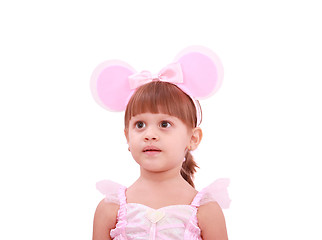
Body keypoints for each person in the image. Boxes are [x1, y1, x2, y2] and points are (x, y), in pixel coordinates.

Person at [90, 46, 230, 240]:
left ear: (193, 138)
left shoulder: (206, 212)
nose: (150, 134)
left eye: (164, 124)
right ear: (127, 137)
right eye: (140, 124)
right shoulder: (109, 209)